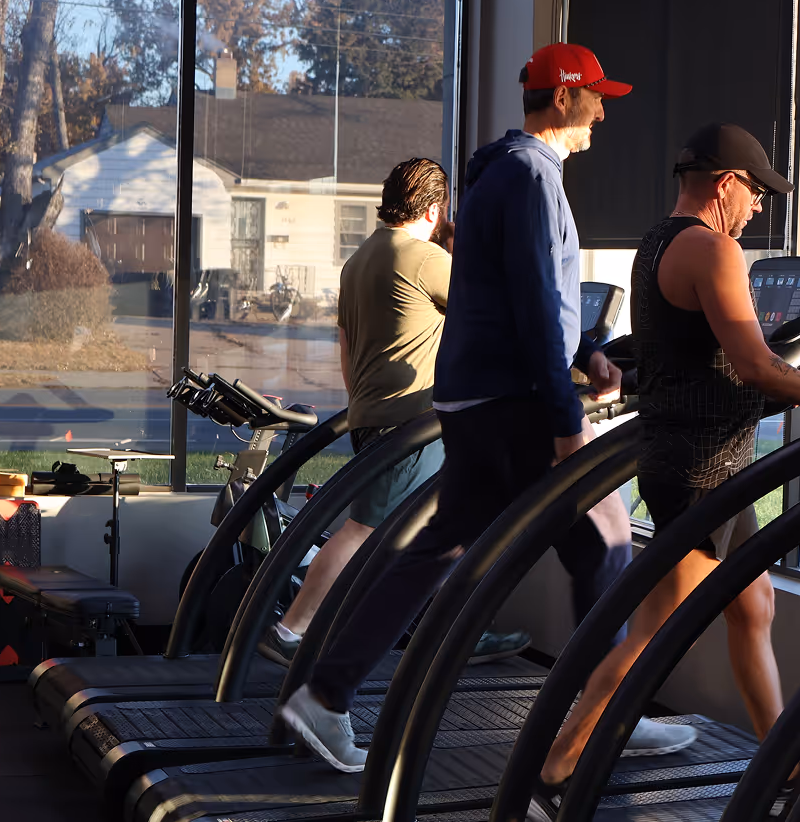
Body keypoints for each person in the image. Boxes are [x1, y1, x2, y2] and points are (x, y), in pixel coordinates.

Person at [280, 42, 689, 772]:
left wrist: (587, 345)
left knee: (437, 551)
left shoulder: (500, 175)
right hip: (517, 404)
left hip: (476, 399)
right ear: (562, 99)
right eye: (596, 96)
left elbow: (516, 294)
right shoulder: (533, 176)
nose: (604, 110)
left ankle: (325, 695)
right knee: (606, 533)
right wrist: (567, 419)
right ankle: (607, 714)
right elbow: (533, 299)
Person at [537, 123, 800, 794]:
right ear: (726, 185)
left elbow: (698, 355)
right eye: (755, 193)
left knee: (754, 607)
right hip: (701, 474)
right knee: (650, 633)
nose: (757, 207)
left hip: (708, 465)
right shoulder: (713, 251)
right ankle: (556, 760)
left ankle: (779, 756)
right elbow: (753, 364)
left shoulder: (656, 242)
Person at [259, 158, 529, 668]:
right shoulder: (424, 258)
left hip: (371, 411)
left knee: (450, 520)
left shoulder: (358, 260)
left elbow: (346, 346)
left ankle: (457, 631)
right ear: (432, 208)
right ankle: (290, 629)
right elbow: (496, 312)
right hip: (411, 420)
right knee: (364, 528)